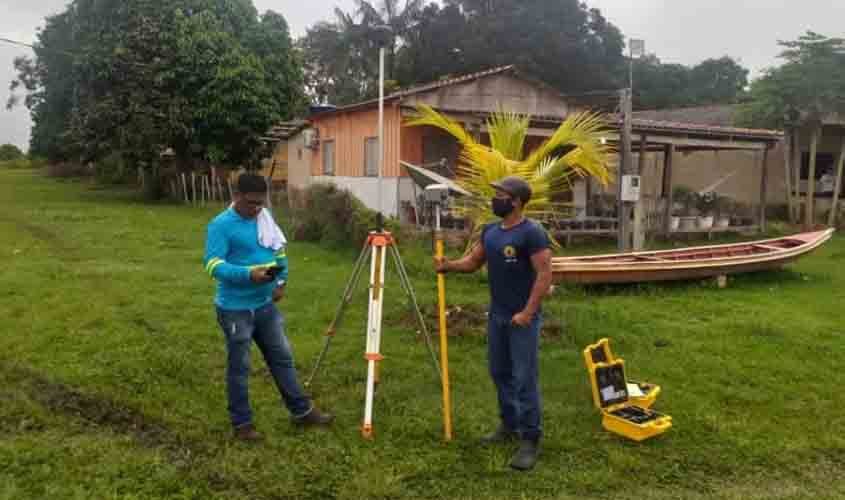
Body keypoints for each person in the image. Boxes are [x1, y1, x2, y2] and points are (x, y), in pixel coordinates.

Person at [434, 176, 553, 471]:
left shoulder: (532, 233)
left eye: (500, 194)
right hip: (498, 315)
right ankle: (509, 424)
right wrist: (449, 266)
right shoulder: (490, 231)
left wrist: (527, 312)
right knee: (499, 372)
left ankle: (530, 438)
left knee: (524, 377)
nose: (494, 199)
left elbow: (544, 274)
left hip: (522, 318)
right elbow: (474, 262)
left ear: (515, 201)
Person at [204, 173, 333, 441]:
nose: (257, 209)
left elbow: (278, 252)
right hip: (235, 309)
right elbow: (212, 264)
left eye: (261, 203)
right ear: (236, 196)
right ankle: (242, 425)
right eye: (252, 203)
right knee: (239, 367)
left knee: (282, 359)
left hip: (265, 306)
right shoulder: (220, 225)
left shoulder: (265, 218)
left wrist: (281, 280)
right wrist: (249, 275)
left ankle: (302, 412)